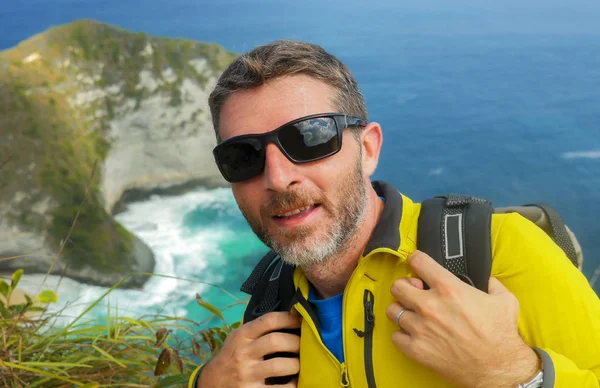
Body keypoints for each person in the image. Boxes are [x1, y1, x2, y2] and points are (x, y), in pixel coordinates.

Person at [189, 40, 600, 388]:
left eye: (310, 138)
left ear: (367, 150)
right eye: (243, 156)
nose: (277, 178)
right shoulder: (269, 304)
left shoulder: (498, 250)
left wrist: (512, 372)